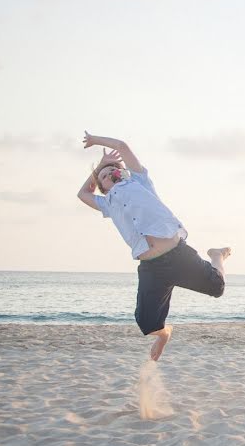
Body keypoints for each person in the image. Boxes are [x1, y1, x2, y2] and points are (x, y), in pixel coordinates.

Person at [77, 132, 230, 362]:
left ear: (123, 172)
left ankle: (217, 256)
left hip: (178, 255)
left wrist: (97, 142)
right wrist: (100, 165)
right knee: (146, 323)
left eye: (113, 169)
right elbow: (82, 194)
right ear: (103, 187)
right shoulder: (107, 203)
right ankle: (165, 333)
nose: (111, 174)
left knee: (217, 288)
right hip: (151, 266)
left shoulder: (139, 181)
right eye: (105, 175)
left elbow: (123, 146)